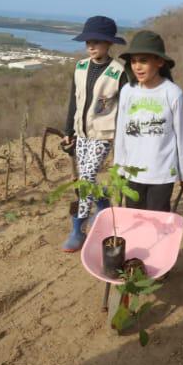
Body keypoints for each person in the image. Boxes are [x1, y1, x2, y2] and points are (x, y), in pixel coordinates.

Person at [59, 16, 127, 252]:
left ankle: (78, 230)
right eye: (88, 41)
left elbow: (126, 108)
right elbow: (74, 102)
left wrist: (124, 141)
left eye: (97, 41)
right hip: (81, 133)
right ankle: (104, 202)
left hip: (103, 134)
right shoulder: (80, 67)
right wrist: (68, 131)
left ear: (109, 44)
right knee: (86, 177)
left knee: (86, 178)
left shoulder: (119, 72)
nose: (91, 45)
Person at [113, 30, 183, 211]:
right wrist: (119, 170)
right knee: (135, 221)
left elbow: (181, 137)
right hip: (132, 173)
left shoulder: (172, 93)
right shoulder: (127, 91)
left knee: (157, 222)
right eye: (133, 61)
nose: (137, 67)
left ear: (159, 61)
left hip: (162, 173)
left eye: (143, 61)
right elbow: (121, 135)